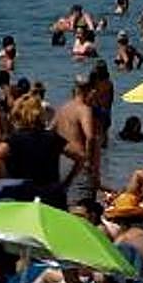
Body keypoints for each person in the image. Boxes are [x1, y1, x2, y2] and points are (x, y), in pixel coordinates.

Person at [0, 93, 87, 208]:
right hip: (51, 198)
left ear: (19, 115)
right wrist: (67, 182)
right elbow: (81, 157)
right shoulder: (53, 138)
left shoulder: (13, 140)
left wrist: (2, 177)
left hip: (23, 198)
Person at [52, 74, 99, 207]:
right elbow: (90, 136)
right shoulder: (84, 110)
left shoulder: (63, 108)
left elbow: (51, 131)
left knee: (62, 202)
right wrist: (89, 162)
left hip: (61, 160)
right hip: (78, 161)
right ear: (89, 90)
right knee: (82, 204)